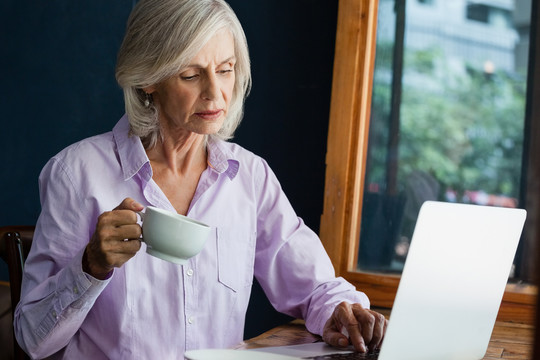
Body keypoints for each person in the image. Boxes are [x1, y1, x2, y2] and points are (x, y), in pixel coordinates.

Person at [14, 0, 387, 358]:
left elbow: (316, 286)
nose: (215, 93)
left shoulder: (249, 177)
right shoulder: (76, 174)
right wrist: (90, 268)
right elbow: (32, 339)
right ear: (148, 80)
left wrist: (344, 312)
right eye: (191, 75)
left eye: (225, 69)